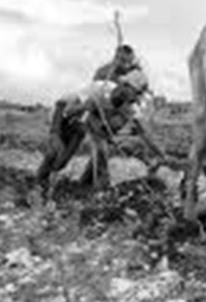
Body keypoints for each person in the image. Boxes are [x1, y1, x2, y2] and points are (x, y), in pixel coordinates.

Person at [32, 69, 166, 205]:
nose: (134, 99)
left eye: (138, 96)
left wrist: (161, 156)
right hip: (62, 117)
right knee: (54, 153)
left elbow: (144, 134)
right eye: (135, 93)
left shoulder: (130, 108)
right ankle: (38, 186)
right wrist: (55, 132)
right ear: (125, 85)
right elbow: (62, 106)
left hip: (81, 126)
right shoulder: (99, 89)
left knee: (64, 162)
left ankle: (87, 186)